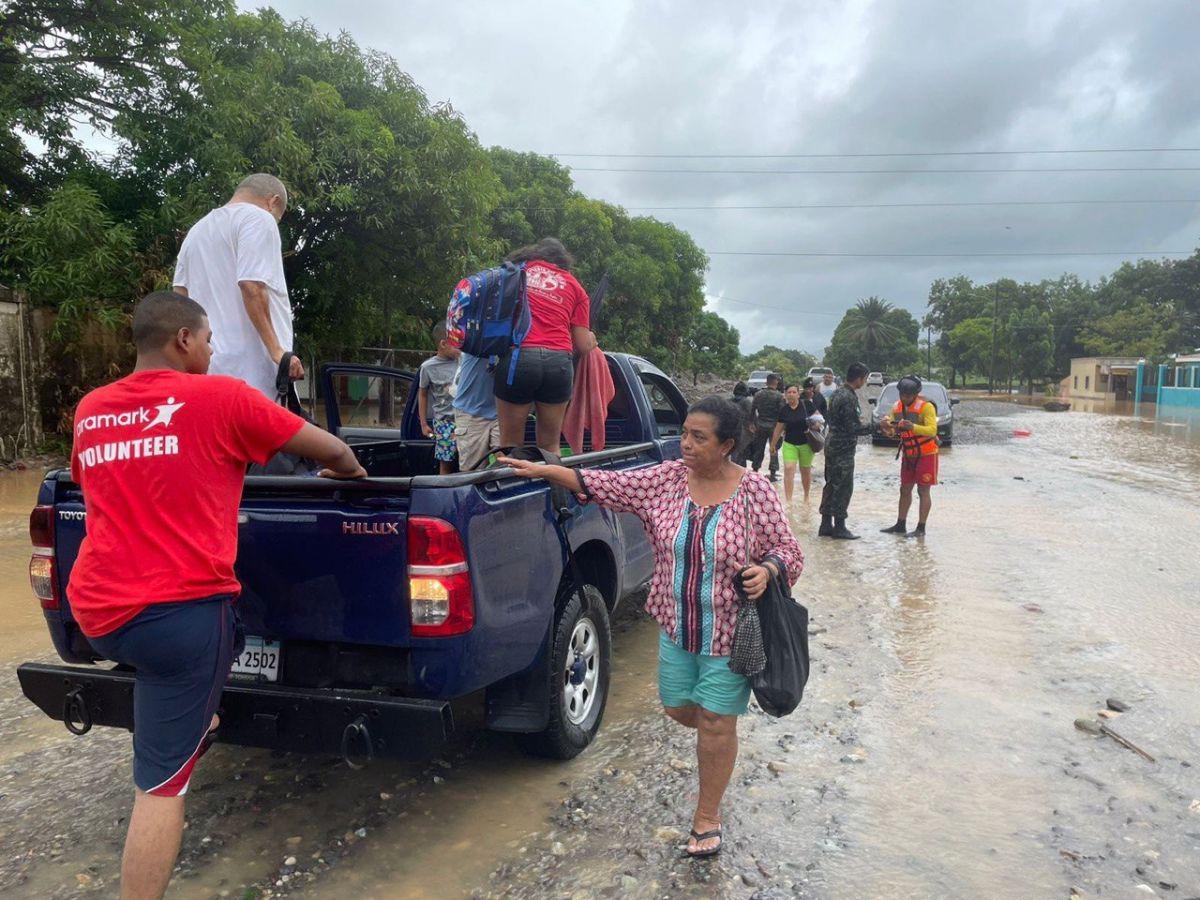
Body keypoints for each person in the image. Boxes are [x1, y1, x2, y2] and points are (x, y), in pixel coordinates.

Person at [68, 291, 364, 900]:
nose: (211, 350)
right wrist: (354, 476)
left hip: (98, 609)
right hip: (178, 617)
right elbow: (332, 451)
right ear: (182, 339)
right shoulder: (221, 398)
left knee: (175, 688)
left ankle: (198, 718)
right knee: (159, 786)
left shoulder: (92, 408)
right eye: (207, 340)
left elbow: (100, 482)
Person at [497, 397, 802, 859]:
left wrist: (770, 569)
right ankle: (720, 737)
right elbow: (602, 483)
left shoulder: (755, 490)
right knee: (679, 708)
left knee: (717, 723)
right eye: (684, 433)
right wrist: (544, 471)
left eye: (699, 437)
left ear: (728, 445)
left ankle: (707, 816)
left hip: (730, 631)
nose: (686, 444)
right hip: (676, 625)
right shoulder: (664, 479)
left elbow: (789, 549)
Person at [173, 173, 302, 399]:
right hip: (252, 373)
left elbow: (179, 300)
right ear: (273, 202)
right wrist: (277, 352)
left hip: (209, 370)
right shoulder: (260, 218)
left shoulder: (196, 232)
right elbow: (251, 286)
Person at [494, 238, 596, 454]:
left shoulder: (518, 272)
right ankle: (554, 488)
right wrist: (592, 339)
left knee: (510, 443)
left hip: (519, 359)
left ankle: (512, 487)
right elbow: (582, 344)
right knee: (550, 445)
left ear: (536, 253)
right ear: (563, 261)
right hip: (558, 363)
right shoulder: (575, 287)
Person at [879, 375, 939, 538]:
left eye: (908, 395)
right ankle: (900, 524)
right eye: (902, 394)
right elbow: (892, 430)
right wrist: (886, 426)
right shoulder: (896, 407)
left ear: (915, 394)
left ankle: (921, 528)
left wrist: (913, 427)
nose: (904, 398)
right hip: (908, 455)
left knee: (923, 491)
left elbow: (932, 430)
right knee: (904, 489)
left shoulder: (927, 407)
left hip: (927, 455)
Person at [818, 362, 874, 539]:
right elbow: (853, 428)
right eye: (865, 378)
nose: (864, 382)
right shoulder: (848, 397)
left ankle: (826, 524)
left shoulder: (836, 393)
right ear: (859, 378)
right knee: (843, 486)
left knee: (831, 484)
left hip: (832, 443)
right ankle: (840, 526)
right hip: (843, 448)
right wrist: (878, 426)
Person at [771, 379, 827, 502]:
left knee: (805, 470)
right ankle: (789, 501)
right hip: (789, 443)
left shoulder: (807, 404)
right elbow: (778, 428)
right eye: (789, 392)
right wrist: (773, 445)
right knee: (789, 468)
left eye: (794, 392)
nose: (791, 394)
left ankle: (806, 496)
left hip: (806, 443)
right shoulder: (784, 410)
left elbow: (820, 419)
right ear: (785, 394)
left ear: (798, 394)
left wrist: (817, 424)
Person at [418, 322, 461, 475]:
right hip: (444, 422)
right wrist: (423, 423)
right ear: (443, 344)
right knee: (445, 461)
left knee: (468, 459)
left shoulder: (463, 363)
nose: (461, 347)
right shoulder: (427, 367)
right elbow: (422, 394)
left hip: (465, 419)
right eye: (457, 343)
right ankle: (444, 494)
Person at [748, 373, 784, 481]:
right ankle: (772, 474)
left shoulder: (758, 394)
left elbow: (752, 410)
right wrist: (783, 428)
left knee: (759, 448)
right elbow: (782, 413)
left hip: (760, 425)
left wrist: (751, 423)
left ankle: (755, 471)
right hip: (774, 426)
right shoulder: (779, 396)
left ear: (766, 382)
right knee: (773, 449)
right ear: (776, 382)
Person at [729, 381, 754, 467]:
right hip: (743, 432)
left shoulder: (728, 401)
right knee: (741, 455)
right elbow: (753, 416)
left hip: (729, 430)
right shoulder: (747, 402)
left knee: (733, 453)